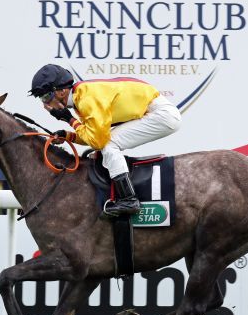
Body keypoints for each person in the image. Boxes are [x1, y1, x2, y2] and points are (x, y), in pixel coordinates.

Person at [30, 64, 181, 216]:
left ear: (61, 91)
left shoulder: (86, 98)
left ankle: (129, 200)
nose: (45, 105)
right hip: (154, 112)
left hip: (161, 114)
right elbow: (94, 135)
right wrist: (67, 135)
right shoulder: (81, 96)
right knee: (107, 143)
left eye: (46, 97)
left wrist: (69, 119)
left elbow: (98, 141)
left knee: (109, 145)